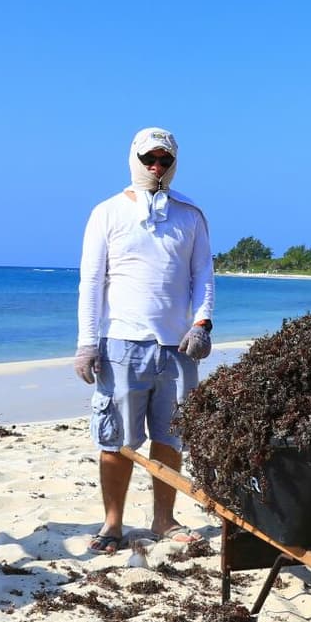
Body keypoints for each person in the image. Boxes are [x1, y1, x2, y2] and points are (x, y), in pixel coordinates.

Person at [75, 127, 215, 554]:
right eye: (150, 159)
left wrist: (202, 324)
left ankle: (163, 518)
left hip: (177, 349)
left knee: (171, 438)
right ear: (135, 158)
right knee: (115, 439)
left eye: (165, 160)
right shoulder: (107, 212)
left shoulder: (190, 215)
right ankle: (112, 523)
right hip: (120, 345)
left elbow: (202, 275)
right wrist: (87, 343)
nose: (157, 167)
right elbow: (91, 281)